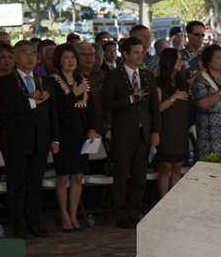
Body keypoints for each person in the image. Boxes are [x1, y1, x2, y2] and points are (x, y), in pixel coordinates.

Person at [0, 40, 59, 239]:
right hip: (15, 142)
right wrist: (31, 101)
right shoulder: (5, 82)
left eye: (33, 53)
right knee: (17, 186)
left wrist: (55, 138)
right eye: (24, 53)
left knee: (34, 185)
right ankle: (20, 225)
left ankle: (35, 222)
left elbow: (52, 112)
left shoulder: (43, 80)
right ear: (15, 58)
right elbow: (4, 110)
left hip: (40, 140)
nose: (30, 57)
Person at [104, 36, 161, 228]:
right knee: (121, 175)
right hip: (123, 134)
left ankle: (135, 209)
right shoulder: (114, 75)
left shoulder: (148, 76)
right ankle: (120, 212)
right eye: (136, 52)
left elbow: (154, 107)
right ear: (125, 54)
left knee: (139, 176)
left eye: (142, 51)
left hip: (143, 133)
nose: (140, 55)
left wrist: (155, 131)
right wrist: (129, 99)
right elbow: (107, 103)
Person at [46, 44, 97, 232]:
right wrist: (72, 95)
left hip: (81, 132)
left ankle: (74, 214)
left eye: (73, 57)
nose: (71, 61)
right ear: (59, 60)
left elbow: (89, 106)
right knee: (63, 176)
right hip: (63, 133)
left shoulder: (81, 79)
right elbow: (55, 109)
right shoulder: (52, 81)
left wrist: (92, 128)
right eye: (66, 57)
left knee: (78, 176)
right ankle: (64, 215)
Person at [154, 48, 191, 197]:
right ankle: (162, 201)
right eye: (178, 59)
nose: (181, 62)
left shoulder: (182, 81)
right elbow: (157, 108)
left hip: (180, 128)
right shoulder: (159, 82)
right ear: (169, 61)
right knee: (165, 167)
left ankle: (173, 199)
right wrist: (173, 98)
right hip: (166, 128)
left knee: (177, 167)